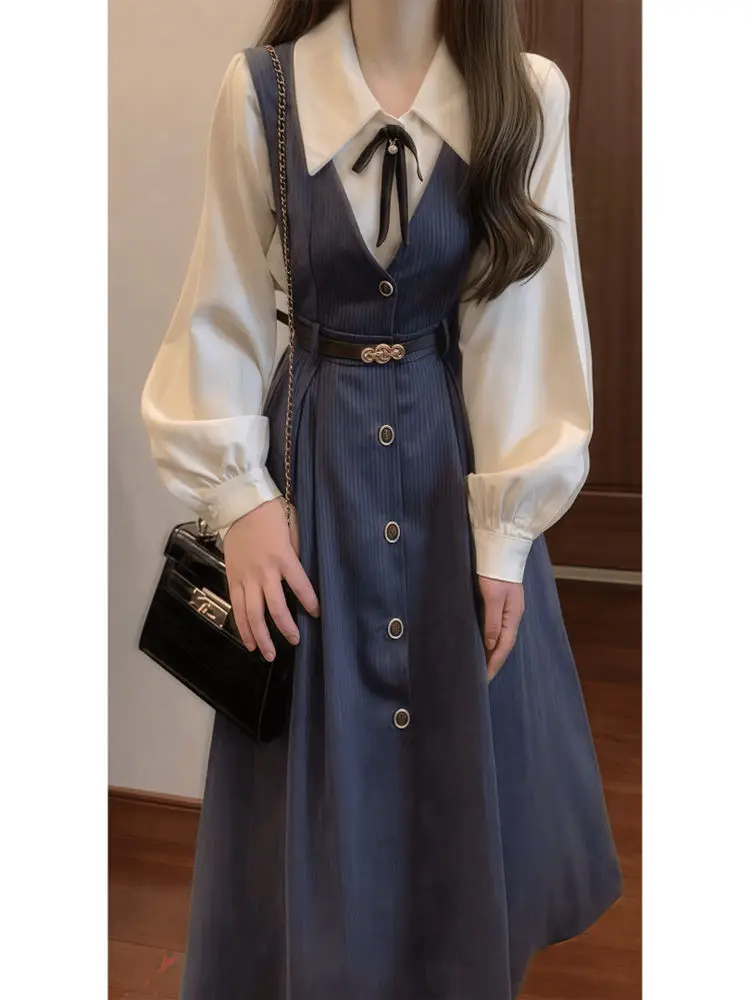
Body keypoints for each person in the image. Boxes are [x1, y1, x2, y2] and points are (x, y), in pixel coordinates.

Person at [141, 1, 622, 996]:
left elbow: (521, 323)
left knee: (460, 760)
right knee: (315, 772)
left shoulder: (524, 97)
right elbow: (221, 306)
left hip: (454, 477)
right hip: (311, 481)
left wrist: (503, 536)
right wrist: (241, 499)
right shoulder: (263, 96)